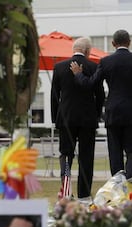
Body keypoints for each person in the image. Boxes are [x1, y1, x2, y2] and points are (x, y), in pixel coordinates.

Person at [70, 29, 132, 184]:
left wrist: (78, 74)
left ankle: (117, 179)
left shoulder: (106, 62)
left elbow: (90, 84)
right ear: (129, 42)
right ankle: (131, 172)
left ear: (113, 44)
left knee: (115, 149)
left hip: (113, 111)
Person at [51, 37, 105, 201]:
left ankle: (66, 190)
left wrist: (56, 118)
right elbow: (100, 95)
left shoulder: (59, 67)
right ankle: (84, 193)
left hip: (66, 118)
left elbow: (55, 95)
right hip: (87, 119)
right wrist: (96, 114)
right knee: (86, 157)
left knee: (66, 155)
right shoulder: (94, 67)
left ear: (73, 50)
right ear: (88, 51)